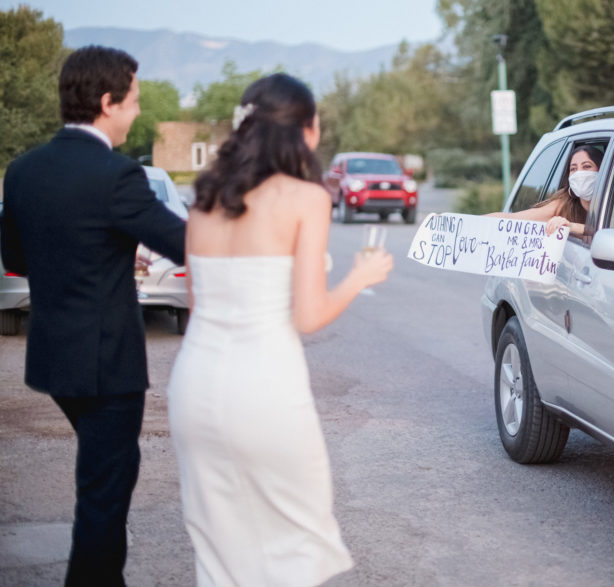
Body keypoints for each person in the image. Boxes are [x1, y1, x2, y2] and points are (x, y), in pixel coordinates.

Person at [167, 73, 393, 585]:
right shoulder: (305, 198)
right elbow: (308, 316)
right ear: (305, 131)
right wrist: (362, 275)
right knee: (294, 542)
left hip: (195, 385)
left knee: (219, 548)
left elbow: (197, 305)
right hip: (264, 388)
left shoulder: (203, 201)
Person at [1, 45, 186, 586]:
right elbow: (184, 241)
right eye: (132, 101)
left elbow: (16, 259)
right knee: (103, 500)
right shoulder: (118, 175)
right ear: (107, 102)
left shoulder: (23, 170)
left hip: (55, 360)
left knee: (104, 483)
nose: (136, 113)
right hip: (107, 366)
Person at [488, 144, 614, 235]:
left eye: (587, 167)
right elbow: (511, 219)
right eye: (573, 169)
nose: (579, 174)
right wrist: (469, 224)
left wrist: (571, 227)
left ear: (602, 171)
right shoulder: (565, 202)